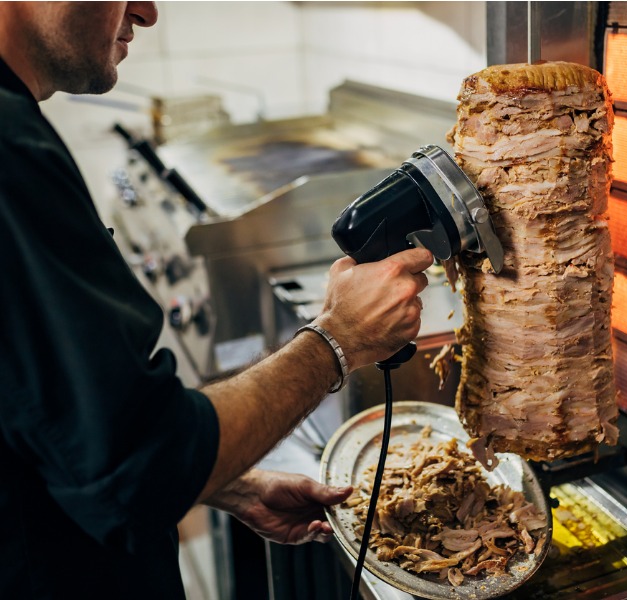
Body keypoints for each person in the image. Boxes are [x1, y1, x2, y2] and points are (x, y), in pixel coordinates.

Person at [0, 2, 434, 598]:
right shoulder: (9, 151)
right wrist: (338, 338)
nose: (147, 11)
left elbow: (61, 420)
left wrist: (224, 480)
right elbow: (134, 468)